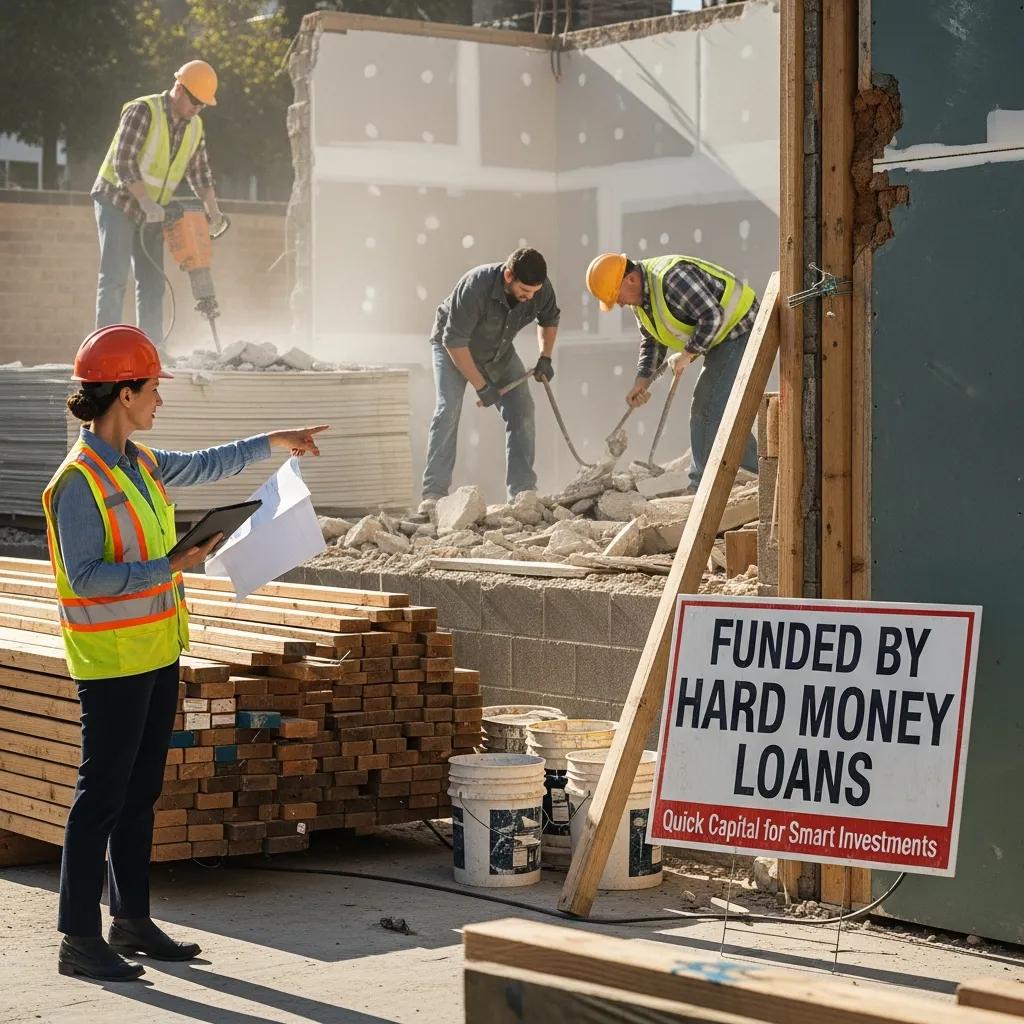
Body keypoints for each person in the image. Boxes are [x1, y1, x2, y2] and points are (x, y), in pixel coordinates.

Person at [42, 324, 328, 982]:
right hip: (111, 662)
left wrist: (274, 443)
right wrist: (169, 563)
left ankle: (132, 920)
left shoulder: (138, 463)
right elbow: (86, 577)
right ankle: (78, 937)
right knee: (101, 797)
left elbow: (203, 465)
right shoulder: (77, 483)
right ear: (123, 393)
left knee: (140, 794)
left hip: (155, 650)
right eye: (152, 390)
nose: (158, 402)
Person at [586, 252, 759, 492]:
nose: (620, 303)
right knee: (714, 411)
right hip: (720, 335)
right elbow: (652, 339)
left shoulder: (672, 278)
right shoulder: (641, 300)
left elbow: (712, 315)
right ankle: (765, 465)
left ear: (631, 280)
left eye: (617, 296)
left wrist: (688, 354)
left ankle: (701, 486)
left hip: (742, 327)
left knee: (707, 407)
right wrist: (642, 380)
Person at [91, 60, 225, 348]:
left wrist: (213, 210)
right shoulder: (144, 111)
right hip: (118, 200)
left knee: (152, 284)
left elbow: (200, 172)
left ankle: (151, 352)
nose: (197, 108)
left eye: (203, 104)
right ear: (179, 87)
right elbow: (123, 161)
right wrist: (143, 199)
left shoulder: (194, 126)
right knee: (114, 279)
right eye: (195, 101)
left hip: (154, 211)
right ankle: (104, 351)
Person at [421, 247, 560, 508]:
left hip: (498, 350)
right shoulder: (475, 286)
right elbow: (454, 342)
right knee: (447, 409)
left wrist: (546, 357)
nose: (530, 298)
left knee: (522, 408)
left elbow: (549, 318)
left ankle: (522, 493)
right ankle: (433, 494)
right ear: (509, 276)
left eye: (534, 293)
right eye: (525, 292)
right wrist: (482, 387)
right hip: (453, 348)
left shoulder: (539, 289)